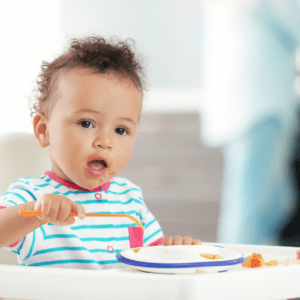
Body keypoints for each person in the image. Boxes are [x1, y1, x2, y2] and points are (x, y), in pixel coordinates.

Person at [0, 36, 201, 270]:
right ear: (44, 130)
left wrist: (174, 251)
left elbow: (149, 261)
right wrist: (36, 213)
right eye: (86, 123)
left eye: (120, 130)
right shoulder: (32, 196)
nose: (105, 142)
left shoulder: (130, 199)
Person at [199, 0, 300, 248]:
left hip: (246, 102)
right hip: (261, 104)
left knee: (276, 202)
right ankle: (234, 280)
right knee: (251, 208)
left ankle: (258, 275)